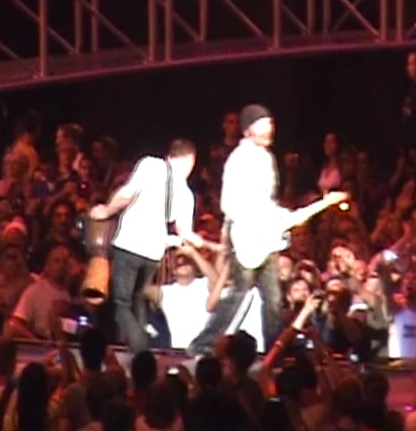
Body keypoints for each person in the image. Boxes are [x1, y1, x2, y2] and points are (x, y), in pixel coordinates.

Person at [188, 104, 346, 356]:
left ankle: (275, 348)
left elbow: (268, 201)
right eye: (263, 124)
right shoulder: (239, 160)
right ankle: (204, 343)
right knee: (238, 294)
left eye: (271, 124)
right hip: (248, 239)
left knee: (271, 298)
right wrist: (251, 225)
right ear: (248, 129)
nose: (270, 129)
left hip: (266, 240)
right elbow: (230, 203)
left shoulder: (267, 158)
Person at [89, 139, 201, 353]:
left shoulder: (151, 165)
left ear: (169, 156)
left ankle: (141, 350)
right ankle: (139, 348)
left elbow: (126, 194)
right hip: (152, 255)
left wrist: (107, 210)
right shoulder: (186, 193)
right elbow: (185, 233)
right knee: (137, 299)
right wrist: (201, 242)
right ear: (190, 160)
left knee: (121, 304)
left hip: (130, 247)